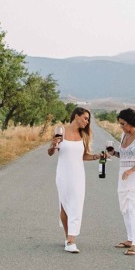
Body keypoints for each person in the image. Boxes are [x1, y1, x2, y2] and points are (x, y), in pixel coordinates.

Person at [47, 106, 103, 253]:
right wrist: (53, 144)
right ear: (76, 116)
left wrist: (97, 156)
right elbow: (50, 152)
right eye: (85, 118)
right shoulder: (60, 130)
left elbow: (84, 156)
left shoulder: (83, 135)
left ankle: (72, 240)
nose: (87, 122)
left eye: (88, 120)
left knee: (76, 205)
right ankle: (67, 237)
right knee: (64, 205)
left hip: (78, 175)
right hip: (63, 174)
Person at [108, 108, 135, 256]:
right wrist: (113, 153)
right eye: (120, 124)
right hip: (123, 175)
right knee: (125, 207)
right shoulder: (123, 135)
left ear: (131, 122)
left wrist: (132, 170)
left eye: (123, 124)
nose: (121, 127)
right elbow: (124, 155)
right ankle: (129, 239)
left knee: (133, 207)